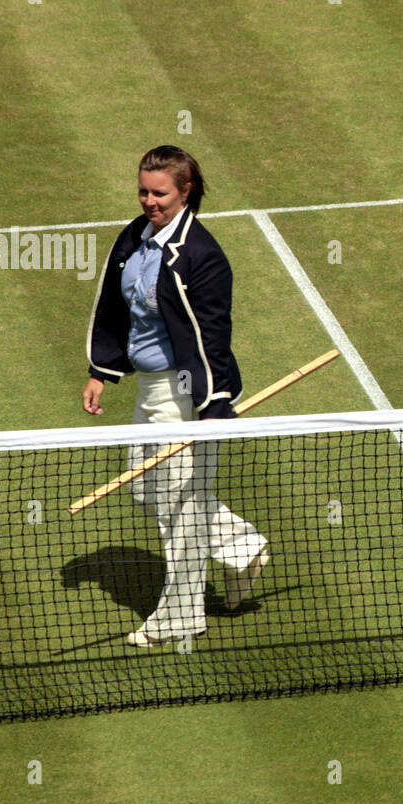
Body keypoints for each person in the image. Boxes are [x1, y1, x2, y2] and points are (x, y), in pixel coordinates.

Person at [82, 145, 270, 647]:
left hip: (186, 393)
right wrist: (102, 370)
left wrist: (212, 404)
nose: (149, 201)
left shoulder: (203, 258)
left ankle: (181, 615)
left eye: (159, 193)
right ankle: (242, 544)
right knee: (146, 488)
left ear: (186, 192)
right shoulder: (134, 238)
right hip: (149, 389)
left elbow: (211, 337)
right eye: (143, 190)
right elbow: (114, 307)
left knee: (183, 508)